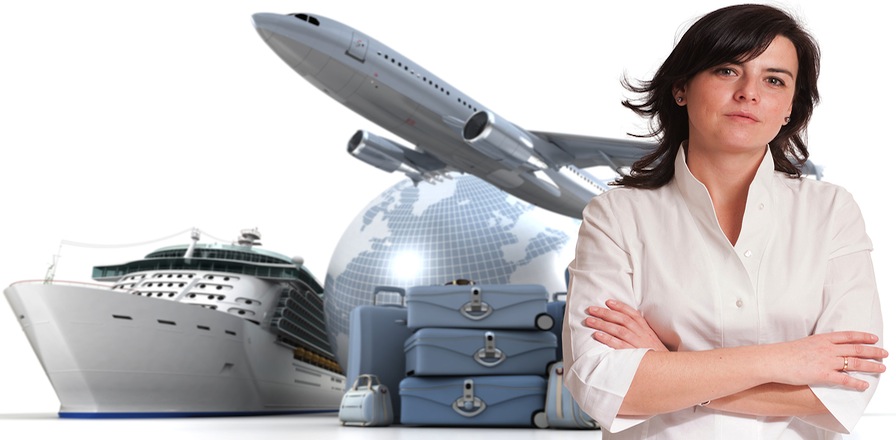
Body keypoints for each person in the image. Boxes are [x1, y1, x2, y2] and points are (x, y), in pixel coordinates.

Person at [563, 4, 887, 439]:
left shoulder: (832, 212)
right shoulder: (616, 215)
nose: (749, 93)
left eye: (774, 80)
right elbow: (599, 382)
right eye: (727, 71)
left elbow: (849, 386)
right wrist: (785, 359)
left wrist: (668, 365)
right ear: (681, 88)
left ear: (789, 108)